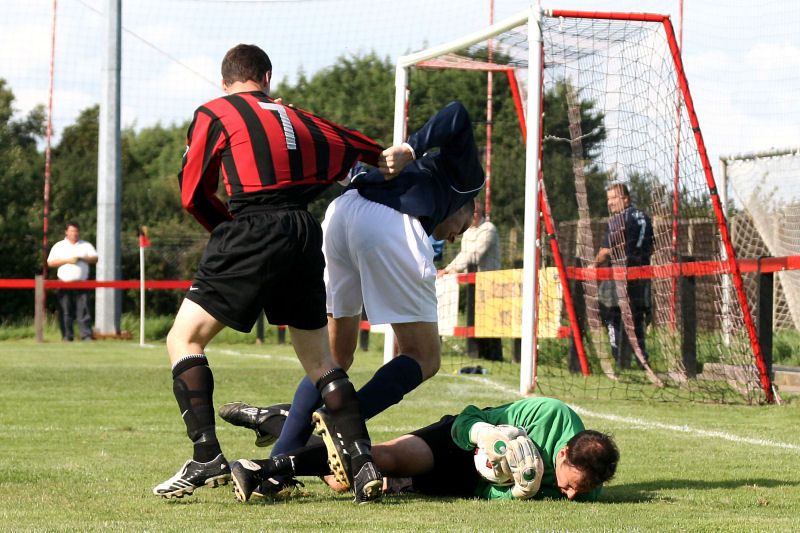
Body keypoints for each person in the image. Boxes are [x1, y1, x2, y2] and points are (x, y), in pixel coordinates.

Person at [153, 43, 408, 503]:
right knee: (321, 360)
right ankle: (362, 460)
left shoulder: (214, 112)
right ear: (267, 77)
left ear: (224, 80)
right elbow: (351, 143)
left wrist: (229, 233)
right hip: (304, 230)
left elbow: (193, 192)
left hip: (253, 224)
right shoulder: (297, 116)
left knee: (183, 339)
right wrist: (384, 155)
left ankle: (206, 454)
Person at [233, 100, 485, 495]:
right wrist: (412, 146)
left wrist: (301, 120)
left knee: (332, 359)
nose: (455, 236)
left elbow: (342, 154)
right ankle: (340, 423)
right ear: (471, 205)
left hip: (342, 214)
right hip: (387, 225)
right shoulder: (468, 179)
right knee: (425, 357)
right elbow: (458, 113)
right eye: (465, 225)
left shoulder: (411, 178)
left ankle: (276, 470)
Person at [223, 396, 619, 503]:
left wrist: (510, 493)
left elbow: (488, 492)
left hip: (465, 484)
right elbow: (468, 419)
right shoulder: (546, 414)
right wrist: (483, 434)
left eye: (579, 492)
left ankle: (278, 421)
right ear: (563, 452)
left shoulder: (591, 484)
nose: (568, 496)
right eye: (569, 486)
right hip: (455, 445)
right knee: (378, 460)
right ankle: (257, 465)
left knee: (340, 484)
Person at [594, 183, 653, 367]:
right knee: (636, 319)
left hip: (620, 275)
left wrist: (593, 265)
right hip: (642, 276)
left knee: (614, 317)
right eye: (608, 199)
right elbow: (651, 247)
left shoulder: (618, 219)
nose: (610, 203)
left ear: (625, 198)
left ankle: (621, 360)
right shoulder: (644, 217)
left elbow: (606, 250)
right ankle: (642, 360)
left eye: (614, 198)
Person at [438, 200, 502, 360]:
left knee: (490, 321)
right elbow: (463, 254)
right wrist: (447, 269)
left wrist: (454, 269)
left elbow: (474, 254)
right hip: (473, 283)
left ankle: (494, 356)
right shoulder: (467, 231)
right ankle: (478, 354)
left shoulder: (488, 229)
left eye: (475, 213)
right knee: (474, 319)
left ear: (479, 213)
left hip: (489, 283)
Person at [46, 222, 98, 341]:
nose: (74, 233)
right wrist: (67, 260)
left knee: (84, 311)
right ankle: (67, 336)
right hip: (64, 283)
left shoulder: (86, 245)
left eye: (76, 231)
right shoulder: (59, 246)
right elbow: (50, 263)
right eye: (71, 231)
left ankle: (86, 336)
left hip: (82, 284)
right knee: (65, 311)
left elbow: (95, 258)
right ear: (66, 232)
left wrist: (82, 258)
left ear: (79, 232)